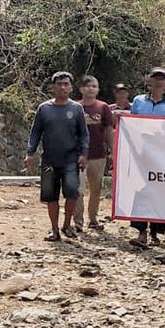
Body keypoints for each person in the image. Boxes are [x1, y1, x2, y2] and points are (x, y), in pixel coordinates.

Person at [25, 72, 88, 242]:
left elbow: (83, 134)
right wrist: (30, 153)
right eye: (59, 84)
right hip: (49, 160)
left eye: (66, 84)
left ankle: (67, 225)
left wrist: (84, 154)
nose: (62, 87)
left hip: (71, 159)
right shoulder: (44, 108)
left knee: (72, 195)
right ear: (53, 87)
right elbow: (35, 132)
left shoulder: (76, 109)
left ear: (71, 87)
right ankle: (54, 229)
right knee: (50, 196)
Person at [128, 67, 165, 247]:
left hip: (163, 155)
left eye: (163, 79)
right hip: (141, 153)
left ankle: (155, 233)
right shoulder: (137, 101)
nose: (159, 82)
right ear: (149, 81)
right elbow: (131, 125)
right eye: (155, 78)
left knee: (160, 192)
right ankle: (141, 231)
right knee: (141, 191)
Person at [73, 76, 113, 232]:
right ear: (81, 88)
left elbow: (109, 130)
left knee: (96, 189)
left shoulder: (103, 107)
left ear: (98, 89)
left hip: (98, 154)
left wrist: (112, 151)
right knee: (78, 189)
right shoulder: (75, 107)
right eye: (88, 86)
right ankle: (77, 221)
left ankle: (93, 218)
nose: (91, 89)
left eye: (94, 86)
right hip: (78, 155)